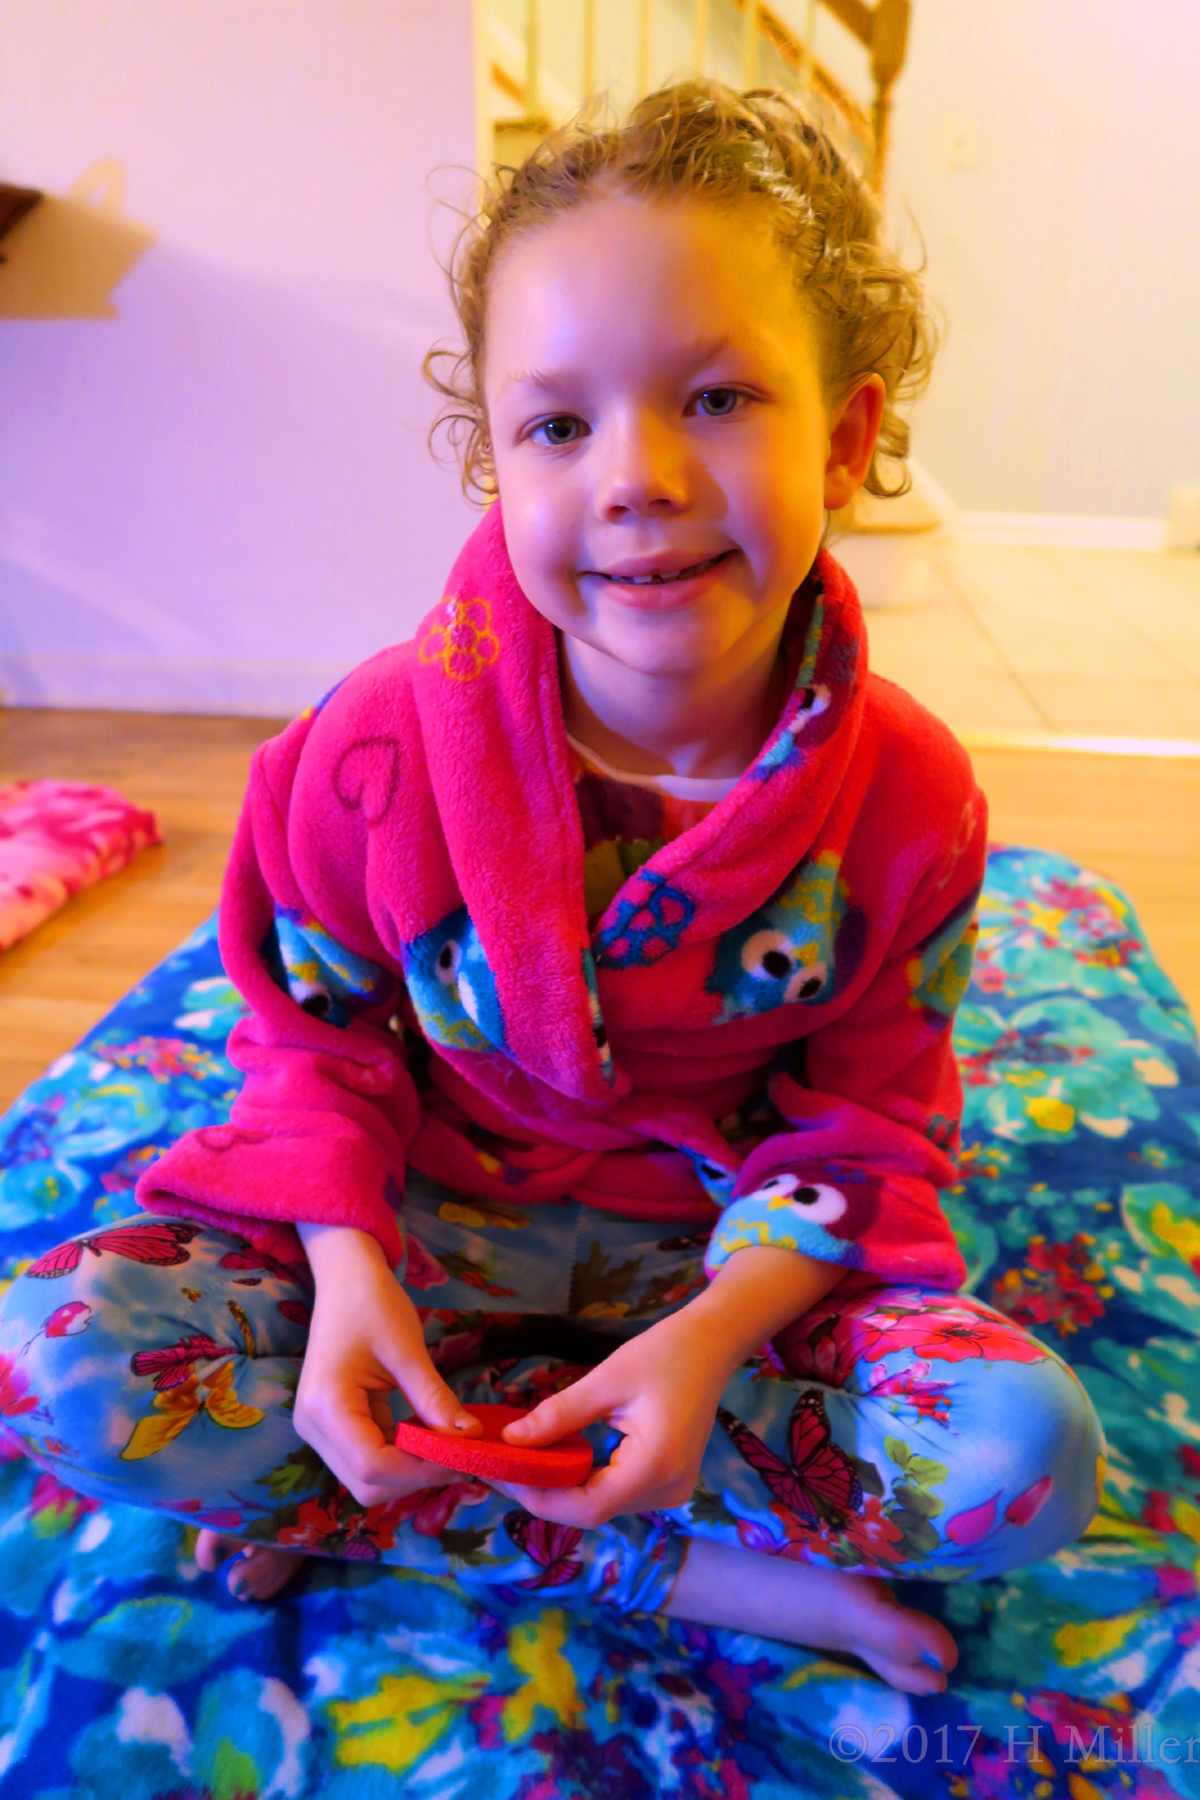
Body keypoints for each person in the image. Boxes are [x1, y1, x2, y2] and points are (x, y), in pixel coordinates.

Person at [0, 80, 1104, 1696]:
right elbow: (313, 1039)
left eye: (718, 397)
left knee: (1026, 1456)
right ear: (497, 464)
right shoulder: (369, 748)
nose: (638, 474)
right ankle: (713, 1568)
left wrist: (714, 1339)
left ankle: (393, 1493)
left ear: (851, 438)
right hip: (418, 1229)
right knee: (56, 1363)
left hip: (709, 1267)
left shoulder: (912, 795)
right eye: (561, 423)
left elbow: (867, 1126)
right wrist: (348, 1277)